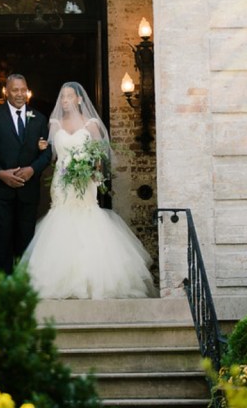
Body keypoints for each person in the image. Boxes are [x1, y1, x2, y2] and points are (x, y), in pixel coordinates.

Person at [21, 81, 156, 299]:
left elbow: (101, 155)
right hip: (62, 180)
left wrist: (92, 169)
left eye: (69, 96)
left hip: (85, 181)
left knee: (87, 218)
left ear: (79, 99)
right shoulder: (54, 123)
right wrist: (41, 147)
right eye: (62, 96)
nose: (65, 100)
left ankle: (92, 281)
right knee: (61, 219)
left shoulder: (90, 124)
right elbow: (51, 153)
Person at [0, 73, 52, 273]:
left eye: (23, 90)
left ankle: (23, 284)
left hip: (28, 192)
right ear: (6, 92)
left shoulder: (39, 119)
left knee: (26, 239)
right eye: (15, 90)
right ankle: (4, 287)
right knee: (1, 240)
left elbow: (47, 154)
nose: (20, 94)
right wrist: (0, 174)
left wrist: (32, 169)